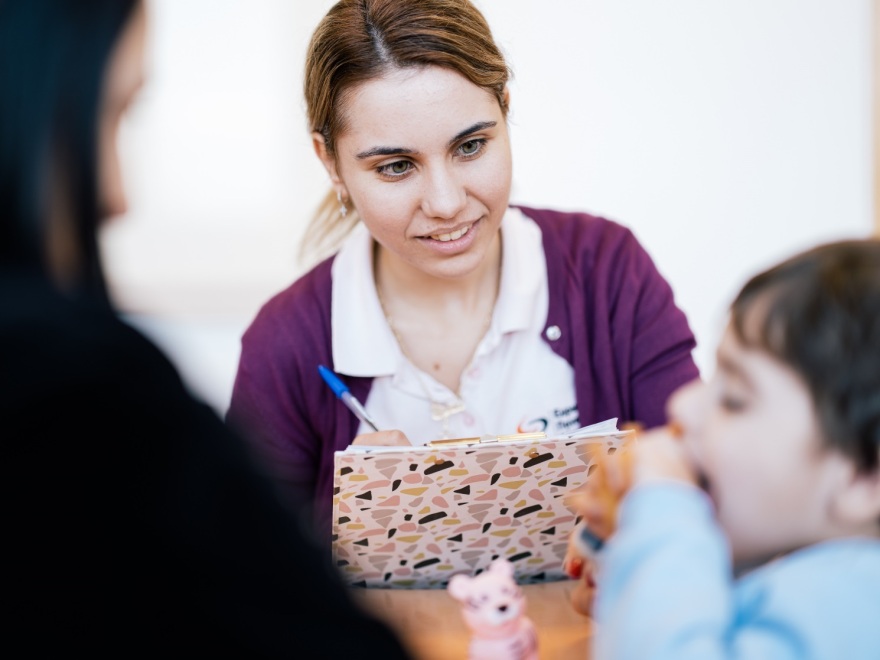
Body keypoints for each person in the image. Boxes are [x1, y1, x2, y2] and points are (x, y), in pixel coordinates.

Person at [0, 0, 412, 655]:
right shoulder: (90, 386)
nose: (119, 197)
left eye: (471, 145)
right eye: (109, 113)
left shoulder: (589, 264)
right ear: (331, 163)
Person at [226, 0, 700, 541]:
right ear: (330, 162)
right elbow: (241, 569)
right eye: (396, 166)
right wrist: (345, 527)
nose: (447, 203)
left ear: (505, 110)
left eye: (471, 146)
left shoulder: (608, 272)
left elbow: (704, 495)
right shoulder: (284, 345)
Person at [566, 239, 880, 658]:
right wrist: (636, 556)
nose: (681, 404)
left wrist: (664, 503)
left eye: (735, 399)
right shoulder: (815, 573)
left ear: (863, 475)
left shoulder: (855, 605)